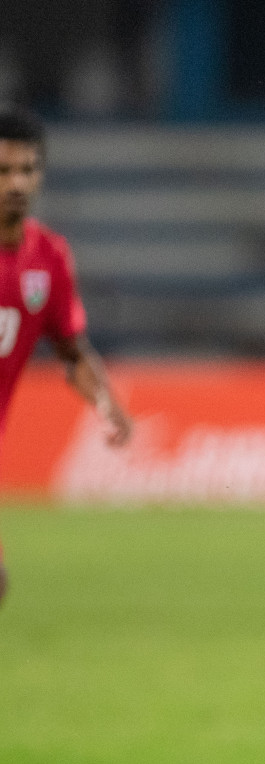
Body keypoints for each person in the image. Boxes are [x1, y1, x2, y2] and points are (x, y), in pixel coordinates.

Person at [0, 105, 132, 609]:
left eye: (26, 170)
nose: (16, 182)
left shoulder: (49, 259)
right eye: (3, 170)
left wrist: (105, 404)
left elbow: (72, 353)